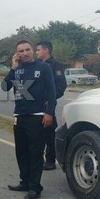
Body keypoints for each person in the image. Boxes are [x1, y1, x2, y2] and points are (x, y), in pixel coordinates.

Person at [1, 40, 56, 199]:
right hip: (19, 116)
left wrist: (49, 113)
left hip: (37, 116)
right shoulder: (17, 69)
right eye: (21, 51)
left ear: (32, 51)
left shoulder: (44, 67)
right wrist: (12, 68)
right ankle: (24, 182)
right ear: (16, 54)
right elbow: (5, 87)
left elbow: (51, 92)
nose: (24, 53)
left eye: (27, 50)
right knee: (21, 152)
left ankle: (35, 187)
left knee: (35, 153)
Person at [35, 41, 67, 170]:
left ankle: (50, 161)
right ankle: (37, 159)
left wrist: (50, 99)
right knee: (37, 134)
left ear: (46, 50)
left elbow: (61, 86)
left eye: (38, 50)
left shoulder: (55, 65)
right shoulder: (37, 65)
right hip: (36, 104)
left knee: (49, 134)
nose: (36, 52)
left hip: (47, 105)